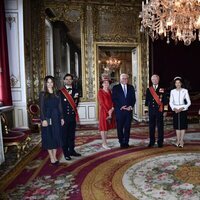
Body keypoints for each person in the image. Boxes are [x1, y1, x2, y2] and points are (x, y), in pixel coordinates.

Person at [39, 75, 64, 165]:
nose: (49, 84)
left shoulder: (58, 93)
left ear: (54, 83)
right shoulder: (42, 94)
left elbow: (60, 106)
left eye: (51, 82)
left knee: (56, 136)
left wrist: (61, 117)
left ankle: (55, 156)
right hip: (47, 117)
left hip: (56, 117)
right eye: (48, 82)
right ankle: (51, 157)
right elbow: (41, 108)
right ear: (45, 83)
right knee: (49, 137)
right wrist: (43, 119)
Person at [60, 73, 81, 161]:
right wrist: (61, 117)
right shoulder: (60, 92)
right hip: (64, 117)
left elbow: (76, 103)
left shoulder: (76, 91)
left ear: (72, 80)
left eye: (70, 79)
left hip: (72, 117)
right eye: (67, 79)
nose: (68, 81)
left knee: (72, 135)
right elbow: (59, 106)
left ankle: (72, 150)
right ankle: (66, 153)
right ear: (64, 81)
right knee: (64, 136)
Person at [112, 73, 136, 148]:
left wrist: (131, 106)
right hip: (119, 111)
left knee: (127, 127)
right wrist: (121, 106)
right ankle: (121, 141)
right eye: (123, 78)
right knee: (119, 127)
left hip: (128, 111)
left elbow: (133, 99)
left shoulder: (131, 87)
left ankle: (126, 141)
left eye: (126, 78)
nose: (125, 80)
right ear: (120, 79)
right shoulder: (115, 88)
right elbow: (114, 99)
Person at [144, 74, 168, 148]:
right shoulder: (149, 89)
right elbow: (146, 101)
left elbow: (165, 101)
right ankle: (152, 142)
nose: (155, 80)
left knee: (160, 127)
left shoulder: (162, 89)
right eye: (153, 79)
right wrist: (146, 111)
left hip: (159, 110)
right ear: (151, 80)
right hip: (151, 111)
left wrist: (165, 111)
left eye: (156, 79)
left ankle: (160, 142)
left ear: (158, 80)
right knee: (151, 127)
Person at [169, 76, 191, 148]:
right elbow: (170, 102)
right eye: (176, 83)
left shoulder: (185, 91)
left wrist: (183, 108)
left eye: (179, 83)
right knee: (177, 126)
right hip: (175, 110)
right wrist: (174, 108)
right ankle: (177, 140)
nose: (177, 84)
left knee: (182, 126)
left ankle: (181, 141)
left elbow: (189, 102)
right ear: (174, 84)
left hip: (183, 110)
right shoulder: (172, 91)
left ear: (181, 83)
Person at [98, 79, 115, 149]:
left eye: (107, 83)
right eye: (104, 83)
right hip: (104, 111)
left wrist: (112, 109)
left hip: (110, 111)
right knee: (103, 127)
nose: (106, 84)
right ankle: (104, 143)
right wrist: (108, 111)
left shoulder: (110, 91)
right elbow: (101, 103)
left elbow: (113, 101)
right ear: (102, 84)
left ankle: (105, 142)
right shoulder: (100, 91)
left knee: (107, 127)